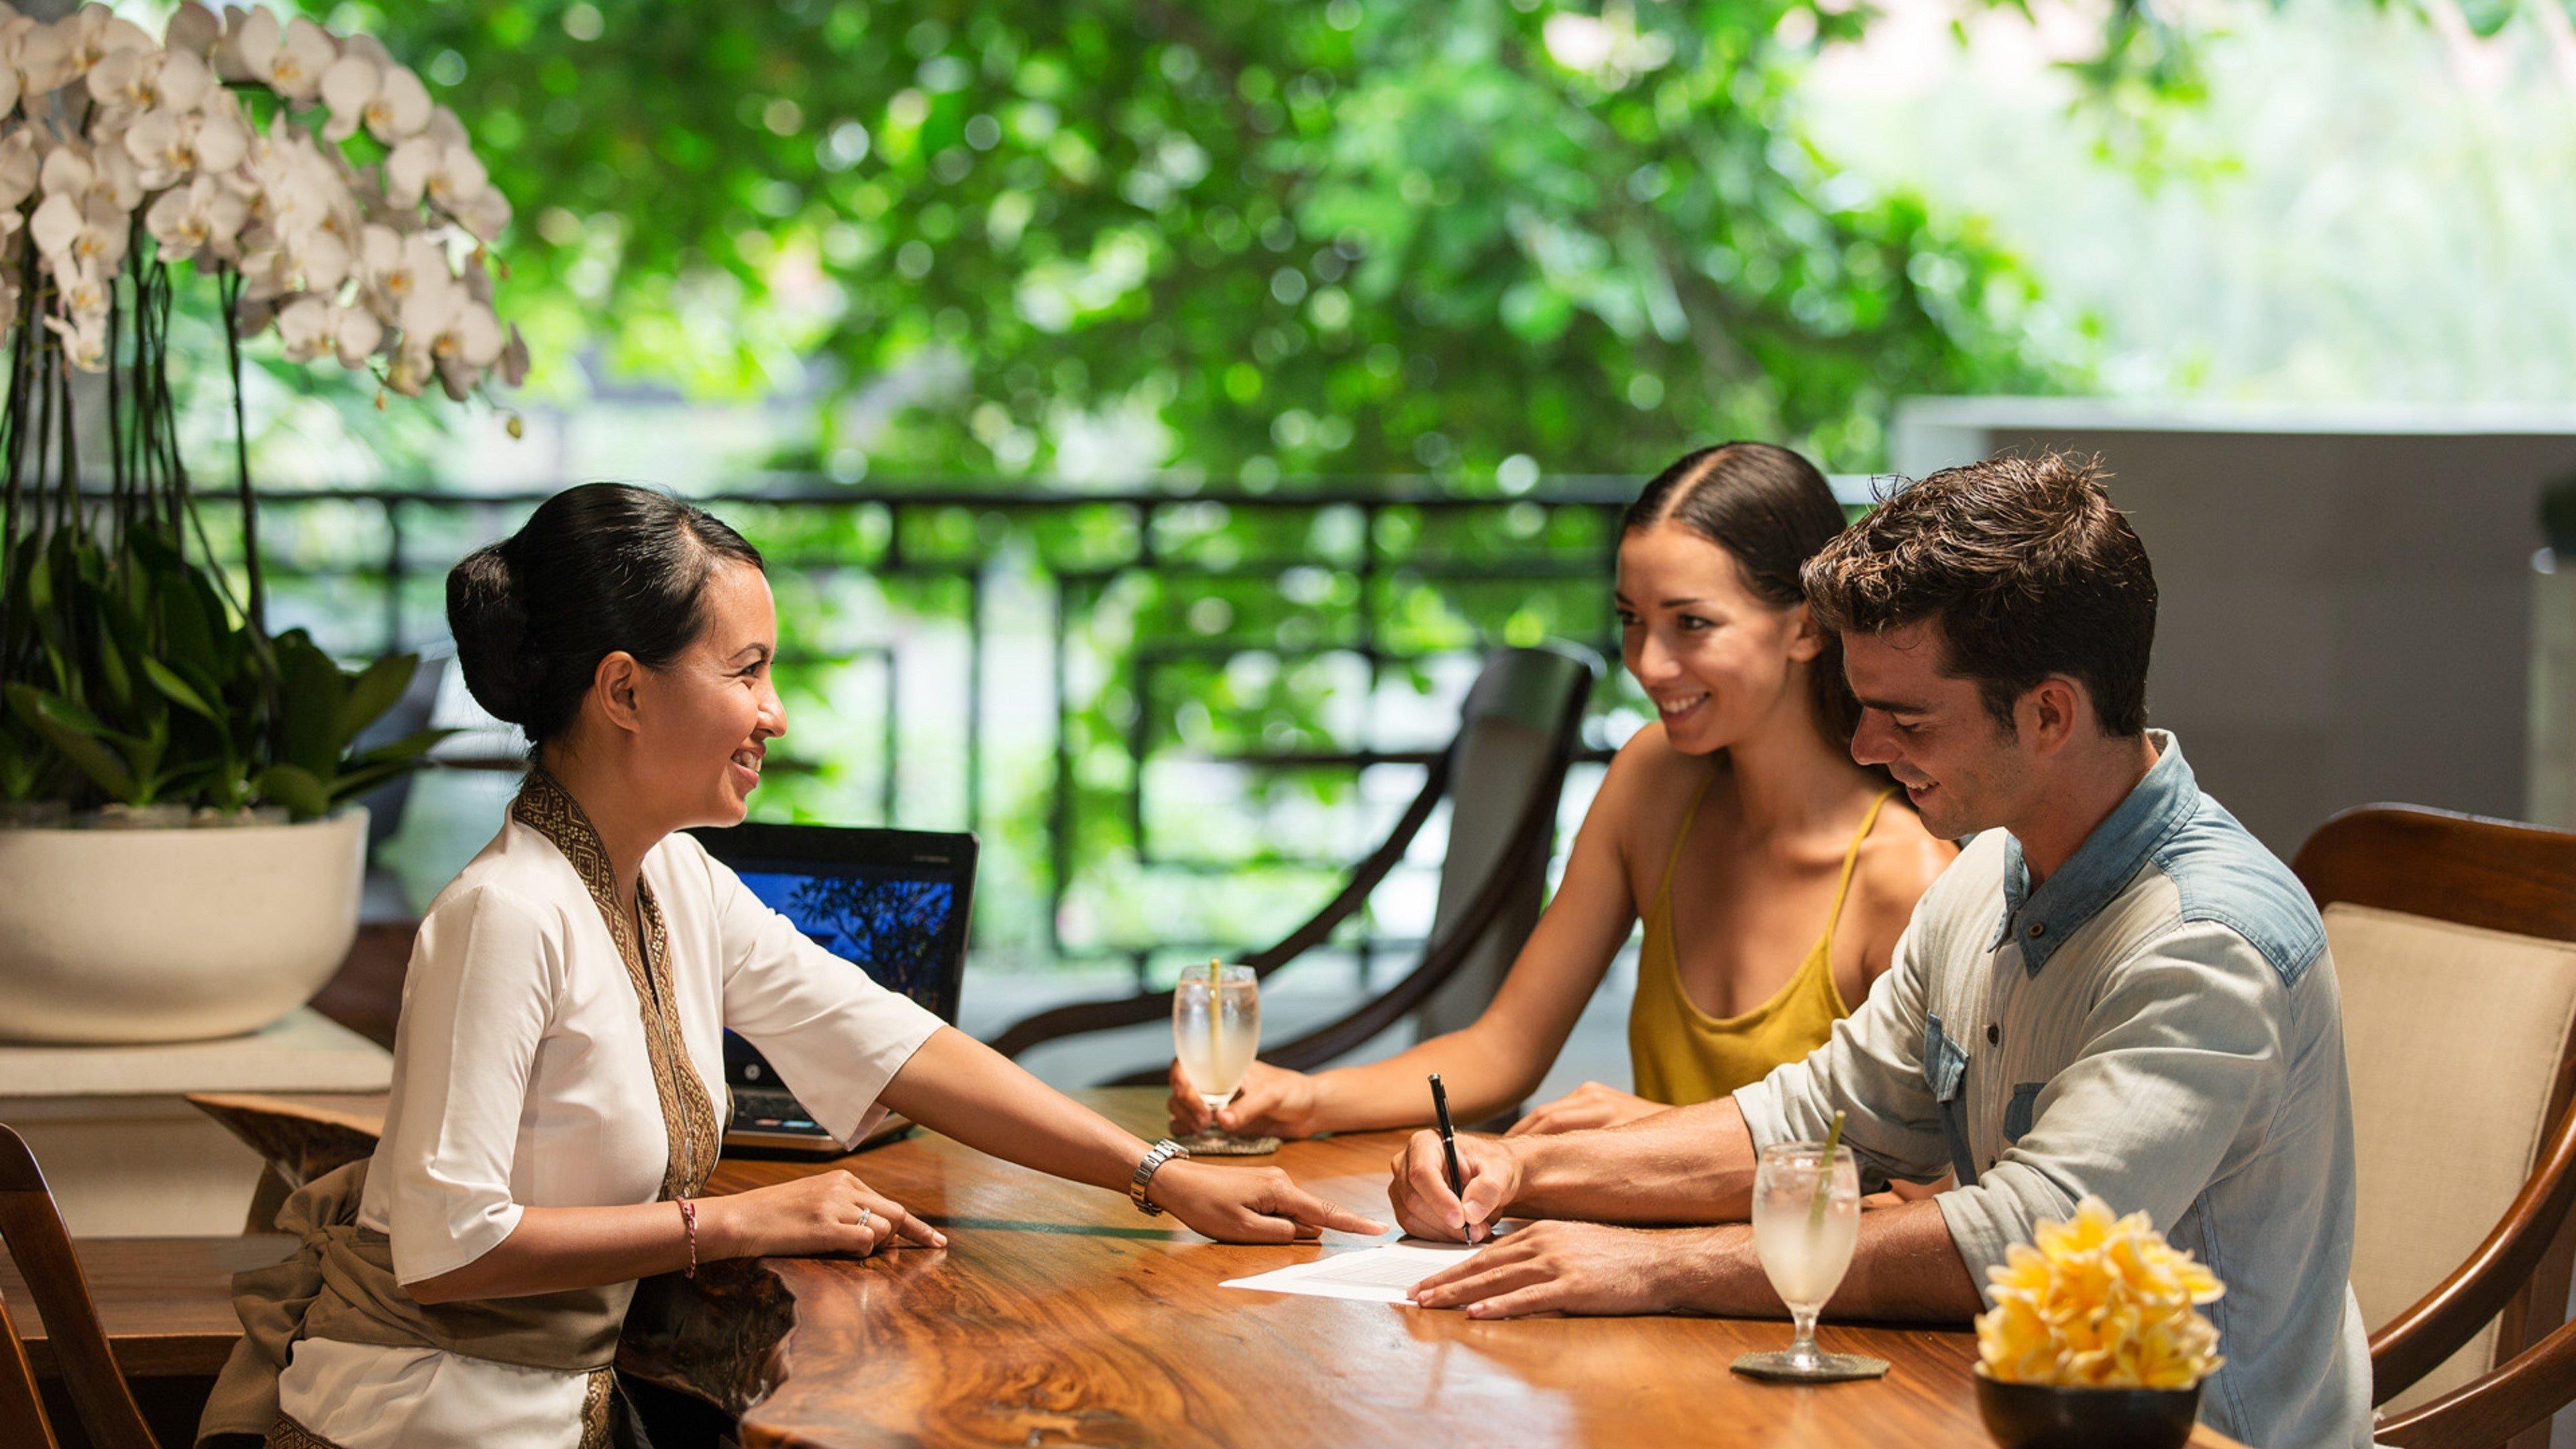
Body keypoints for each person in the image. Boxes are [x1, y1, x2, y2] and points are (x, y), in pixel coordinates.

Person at [199, 484, 1381, 1449]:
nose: (777, 714)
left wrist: (1163, 1175)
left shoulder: (677, 885)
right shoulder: (504, 913)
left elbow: (902, 1046)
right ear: (622, 690)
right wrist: (744, 1220)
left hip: (557, 1412)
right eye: (748, 670)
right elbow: (450, 1248)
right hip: (428, 1425)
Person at [1388, 452, 2371, 1449]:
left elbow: (2017, 1245)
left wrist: (1646, 1267)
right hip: (1992, 1410)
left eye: (1906, 718)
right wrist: (1517, 1168)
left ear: (2049, 714)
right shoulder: (1988, 876)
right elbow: (1816, 1122)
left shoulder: (2203, 945)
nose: (1862, 748)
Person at [1167, 443, 1952, 1143]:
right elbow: (1504, 1048)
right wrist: (1301, 1099)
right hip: (1628, 1266)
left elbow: (1923, 1200)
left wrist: (1664, 1136)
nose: (1648, 664)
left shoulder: (1906, 879)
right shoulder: (1655, 780)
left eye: (1691, 624)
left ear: (1807, 628)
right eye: (1632, 620)